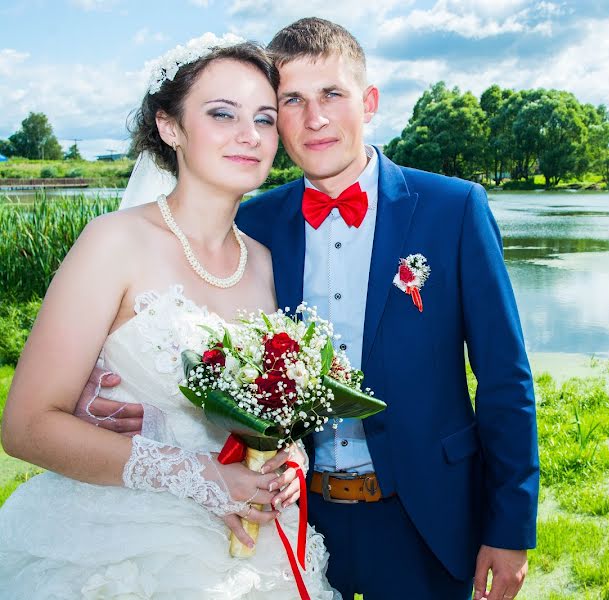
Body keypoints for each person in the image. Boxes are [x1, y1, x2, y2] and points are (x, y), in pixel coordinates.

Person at [78, 17, 539, 600]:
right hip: (293, 518)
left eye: (332, 95)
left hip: (429, 516)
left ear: (367, 101)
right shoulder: (252, 222)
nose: (314, 118)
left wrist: (510, 527)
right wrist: (118, 393)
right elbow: (190, 336)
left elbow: (505, 380)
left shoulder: (454, 209)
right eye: (291, 100)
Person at [0, 36, 339, 599]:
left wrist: (285, 460)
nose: (249, 135)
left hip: (255, 549)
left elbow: (271, 412)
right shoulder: (114, 243)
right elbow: (25, 425)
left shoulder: (269, 264)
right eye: (221, 114)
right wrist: (206, 479)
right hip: (126, 546)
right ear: (170, 127)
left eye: (264, 118)